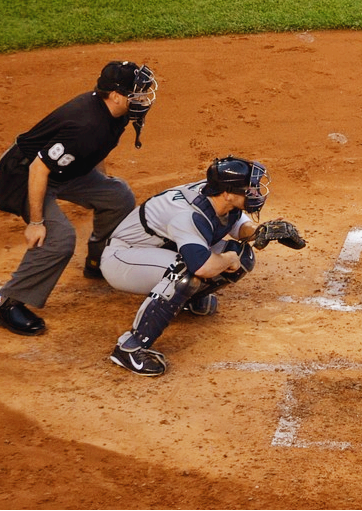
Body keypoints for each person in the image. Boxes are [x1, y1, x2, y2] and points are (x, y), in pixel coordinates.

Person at [0, 60, 158, 336]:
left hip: (65, 171)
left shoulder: (118, 113)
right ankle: (7, 303)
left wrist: (101, 183)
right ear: (115, 95)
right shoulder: (85, 125)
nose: (143, 97)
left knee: (117, 196)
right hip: (23, 175)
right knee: (59, 238)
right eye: (136, 92)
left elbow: (96, 150)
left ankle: (97, 262)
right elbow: (38, 168)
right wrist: (37, 222)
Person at [101, 156, 301, 376]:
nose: (255, 193)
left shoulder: (219, 198)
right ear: (228, 192)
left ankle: (184, 300)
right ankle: (130, 347)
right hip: (123, 258)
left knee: (243, 256)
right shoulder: (188, 215)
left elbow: (237, 224)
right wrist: (228, 259)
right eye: (249, 189)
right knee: (186, 273)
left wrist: (259, 232)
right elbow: (203, 267)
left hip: (162, 249)